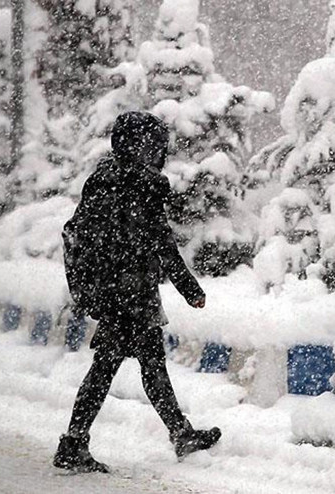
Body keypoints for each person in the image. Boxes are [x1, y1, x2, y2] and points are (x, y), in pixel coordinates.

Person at [54, 111, 221, 473]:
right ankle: (74, 441)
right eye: (155, 145)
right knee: (118, 367)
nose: (158, 152)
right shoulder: (139, 185)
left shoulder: (103, 180)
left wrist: (91, 287)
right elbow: (163, 244)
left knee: (140, 364)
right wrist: (190, 289)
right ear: (141, 146)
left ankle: (178, 433)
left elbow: (80, 233)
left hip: (114, 291)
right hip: (130, 294)